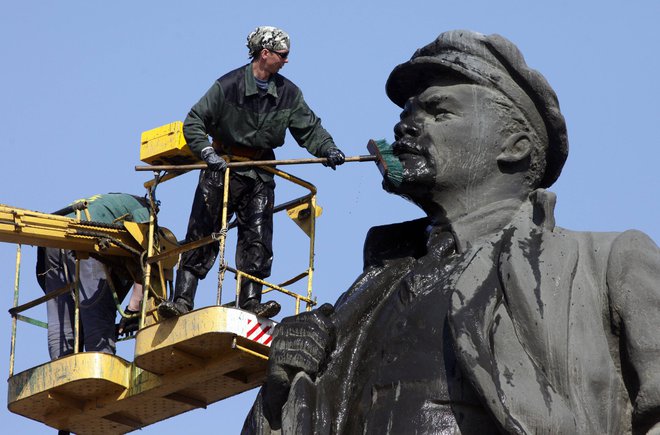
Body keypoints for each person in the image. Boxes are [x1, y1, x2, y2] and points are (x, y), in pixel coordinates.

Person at [243, 30, 660, 434]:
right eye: (406, 113)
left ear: (513, 146)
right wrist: (280, 394)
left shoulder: (604, 264)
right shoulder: (366, 295)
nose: (405, 127)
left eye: (438, 111)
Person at [158, 26, 345, 320]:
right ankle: (181, 300)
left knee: (257, 239)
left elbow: (310, 129)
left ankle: (249, 302)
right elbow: (194, 121)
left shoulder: (288, 93)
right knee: (203, 234)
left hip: (260, 174)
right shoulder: (228, 86)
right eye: (282, 55)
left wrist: (328, 148)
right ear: (265, 53)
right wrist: (207, 153)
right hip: (224, 168)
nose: (286, 61)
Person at [36, 193, 149, 360]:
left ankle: (60, 369)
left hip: (53, 239)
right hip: (85, 238)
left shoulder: (108, 203)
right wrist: (134, 309)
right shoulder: (144, 209)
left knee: (60, 320)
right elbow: (147, 258)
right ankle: (100, 367)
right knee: (96, 315)